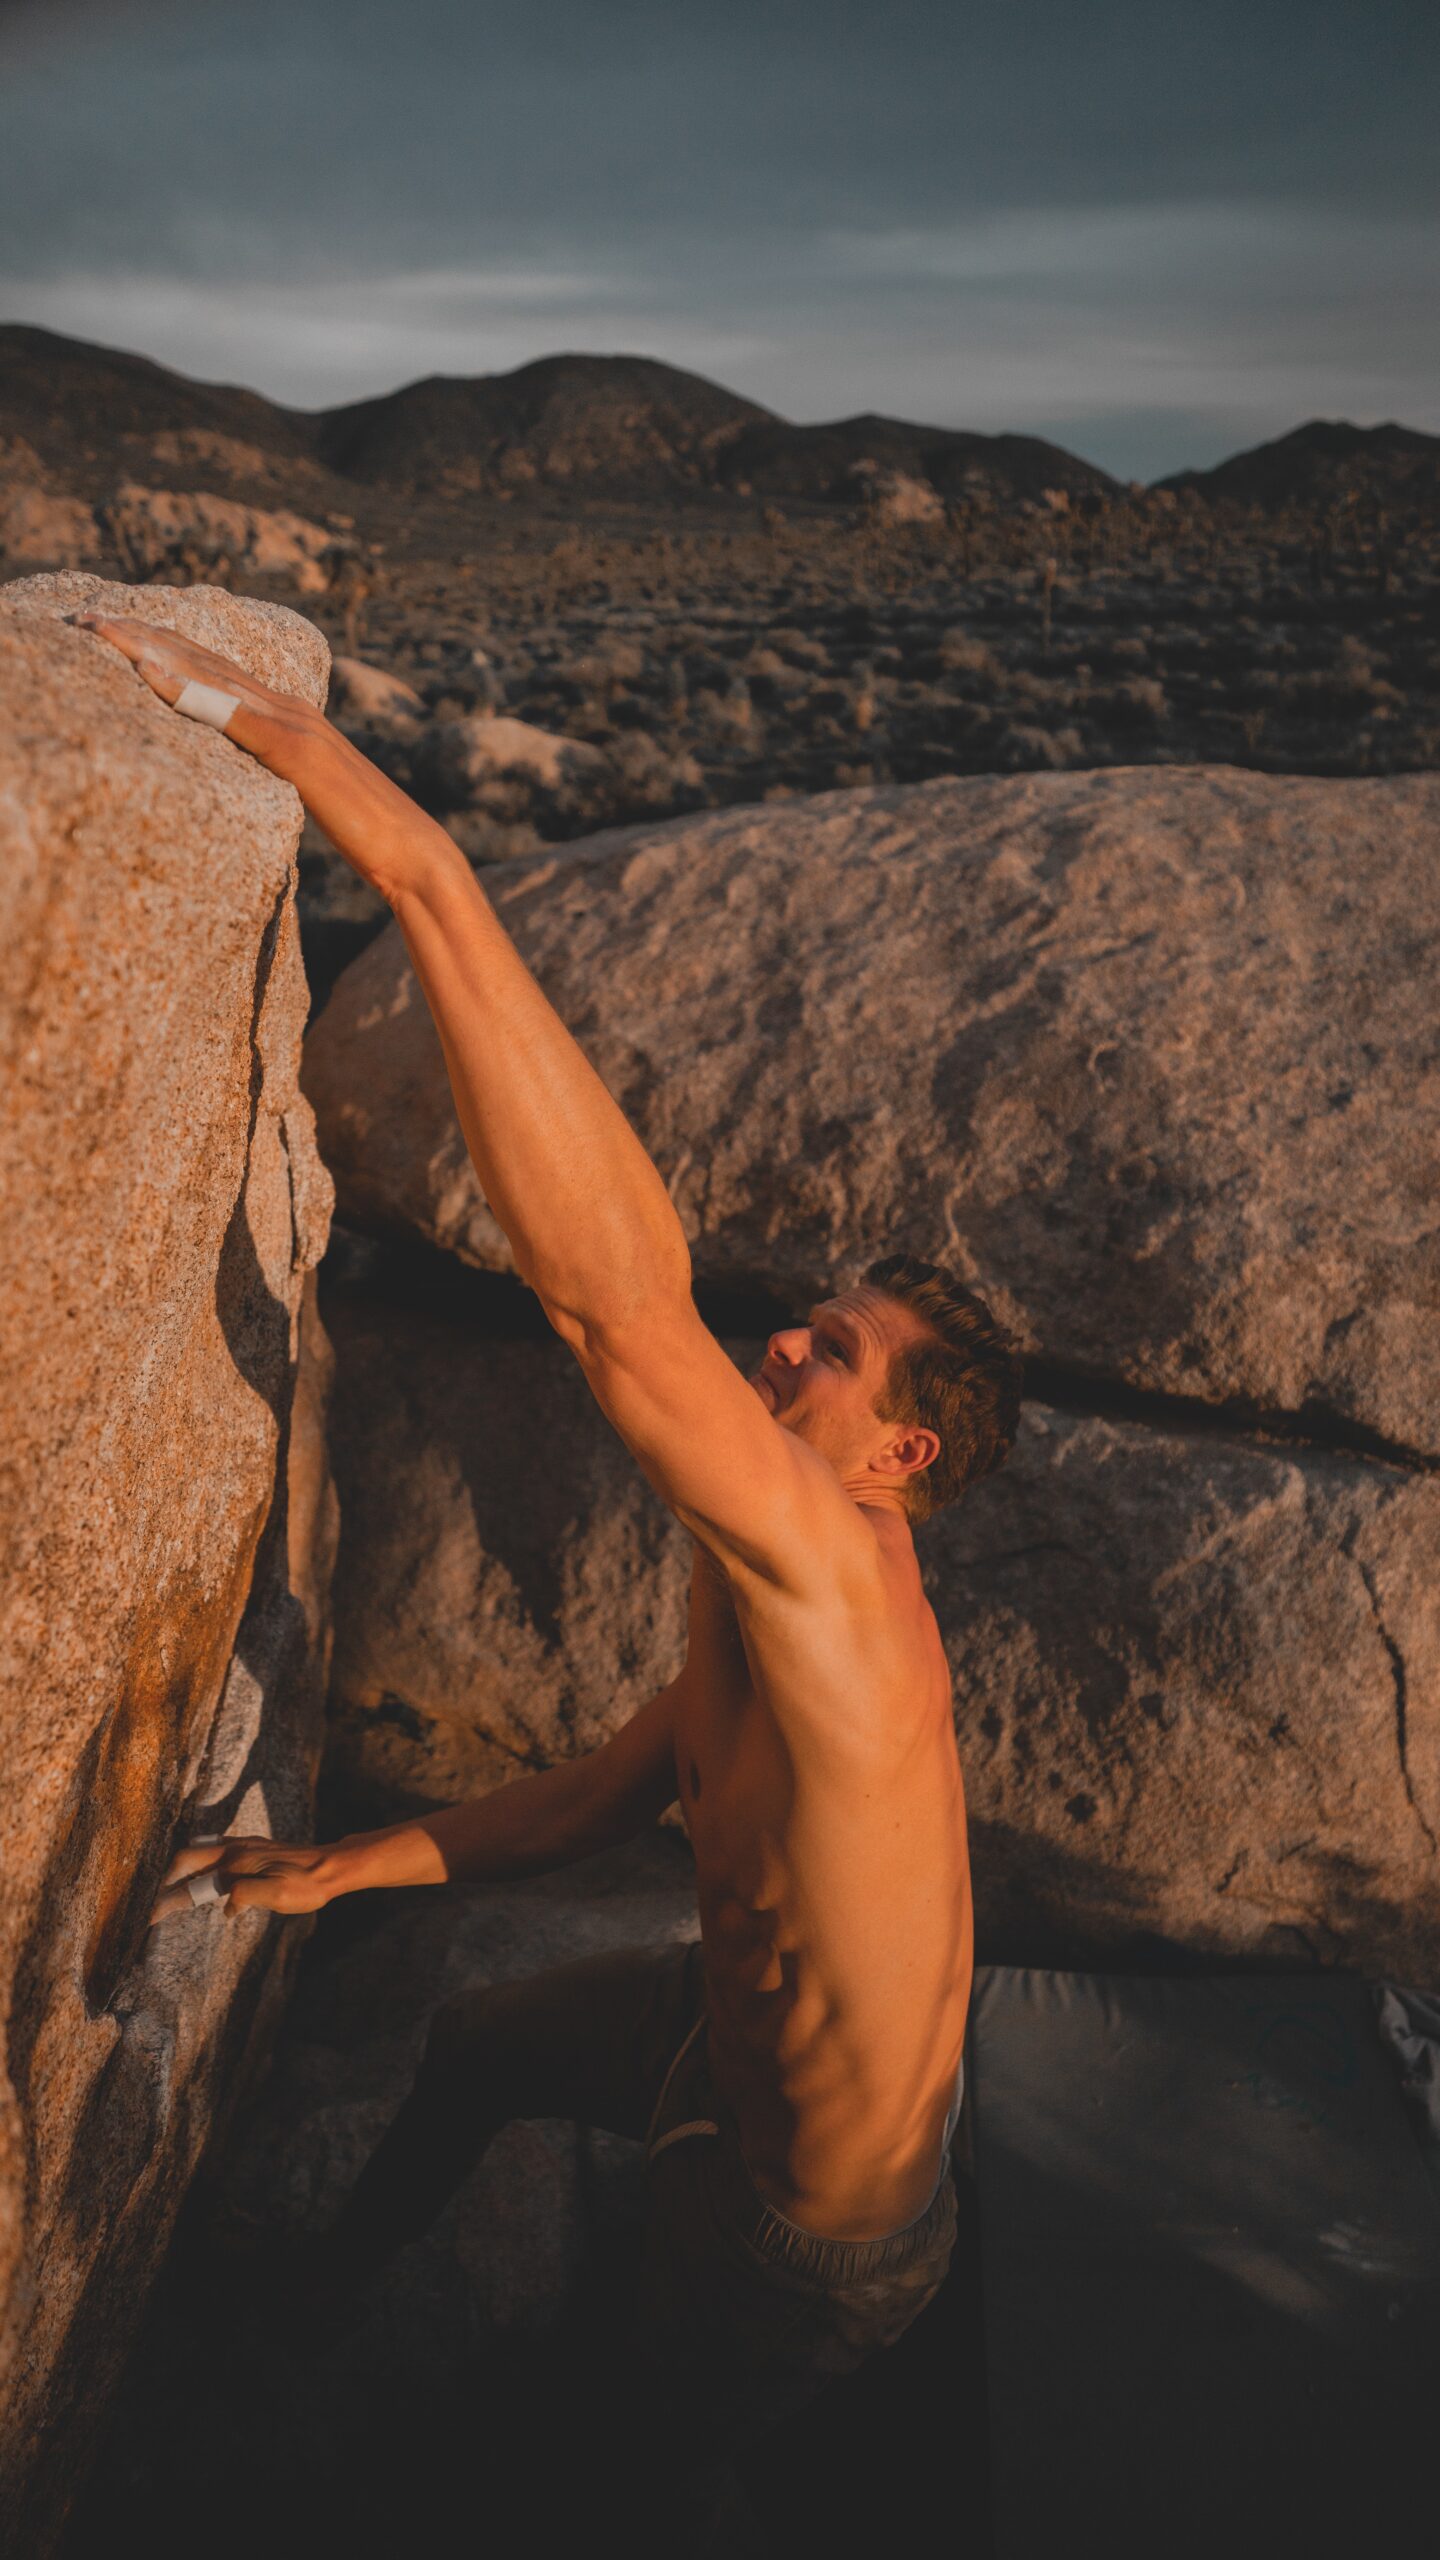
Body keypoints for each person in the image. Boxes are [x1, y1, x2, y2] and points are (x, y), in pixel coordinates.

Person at [81, 607, 1021, 2483]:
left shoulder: (833, 1575)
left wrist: (408, 851)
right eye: (804, 1322)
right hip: (714, 2039)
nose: (784, 1345)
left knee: (602, 2468)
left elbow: (614, 1309)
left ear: (900, 1456)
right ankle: (330, 2278)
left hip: (800, 2238)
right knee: (490, 2044)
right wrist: (345, 1870)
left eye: (827, 1357)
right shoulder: (760, 1582)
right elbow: (616, 1796)